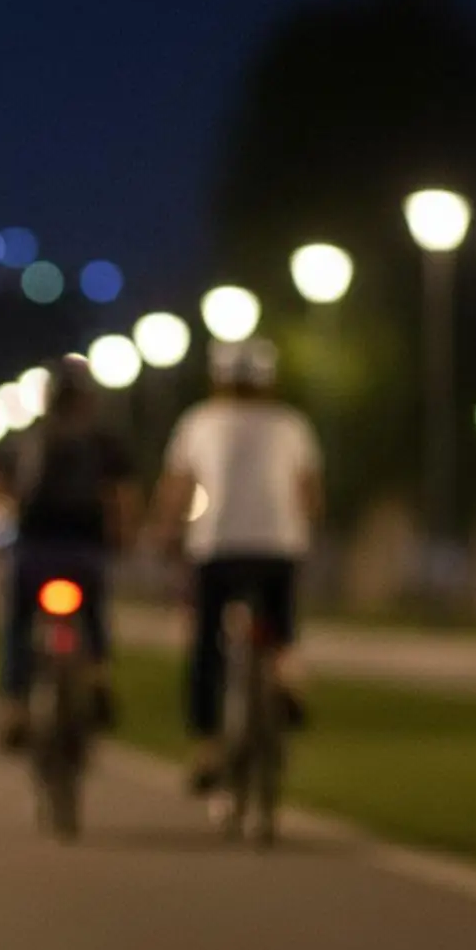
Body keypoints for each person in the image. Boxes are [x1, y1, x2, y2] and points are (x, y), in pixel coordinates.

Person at [154, 336, 323, 793]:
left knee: (206, 646)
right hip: (277, 548)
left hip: (218, 547)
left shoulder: (200, 421)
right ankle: (287, 679)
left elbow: (178, 487)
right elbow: (309, 493)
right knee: (282, 628)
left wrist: (168, 532)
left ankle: (208, 747)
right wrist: (305, 531)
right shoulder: (292, 425)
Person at [0, 357, 140, 751]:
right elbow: (123, 497)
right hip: (85, 551)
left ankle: (15, 707)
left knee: (17, 622)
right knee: (96, 612)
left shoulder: (27, 439)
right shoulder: (104, 442)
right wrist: (125, 537)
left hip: (34, 552)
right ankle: (99, 676)